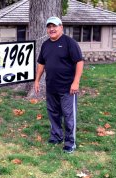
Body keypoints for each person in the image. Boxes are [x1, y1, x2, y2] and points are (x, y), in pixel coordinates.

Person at [34, 16, 84, 154]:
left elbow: (79, 62)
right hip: (51, 87)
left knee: (69, 115)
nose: (52, 29)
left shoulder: (69, 43)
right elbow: (41, 64)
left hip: (68, 88)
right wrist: (37, 80)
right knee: (53, 113)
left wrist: (76, 82)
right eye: (49, 27)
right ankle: (56, 136)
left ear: (61, 27)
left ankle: (70, 142)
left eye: (54, 26)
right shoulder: (45, 45)